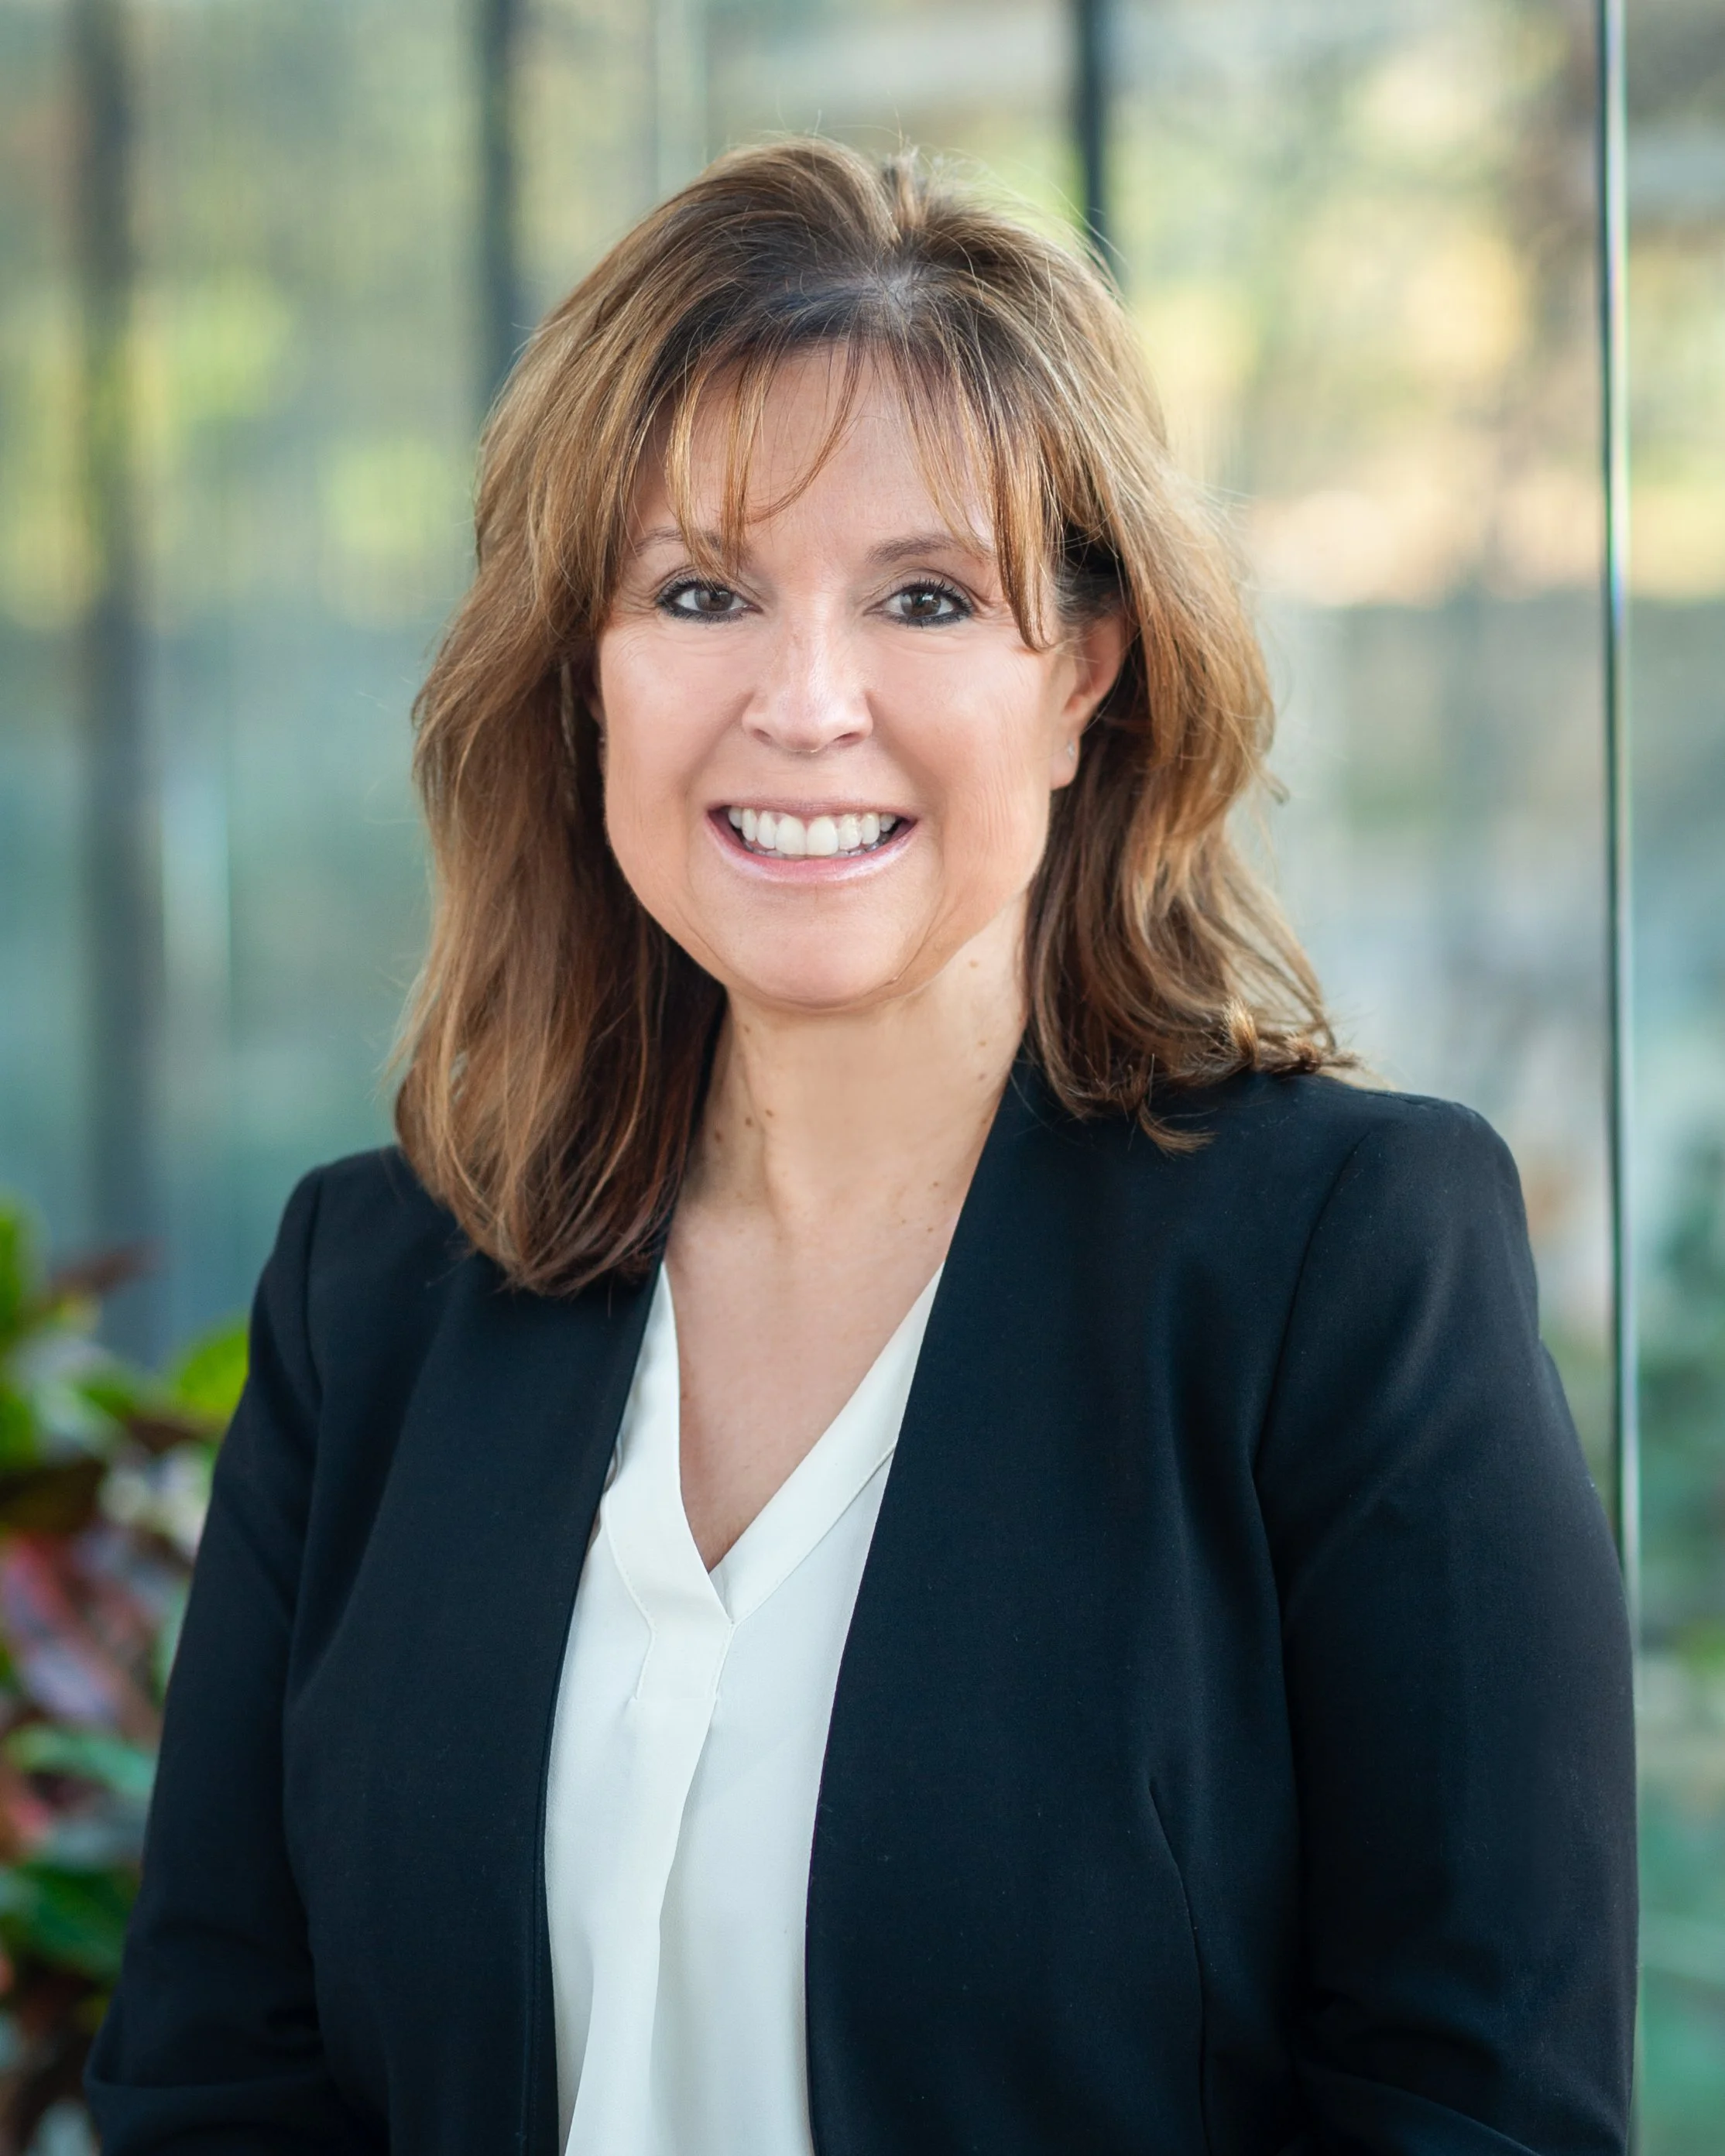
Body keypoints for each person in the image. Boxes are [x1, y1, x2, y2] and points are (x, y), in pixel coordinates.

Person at [87, 138, 1636, 2156]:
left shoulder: (1342, 1263)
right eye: (700, 592)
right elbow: (212, 2080)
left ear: (1082, 677)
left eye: (925, 598)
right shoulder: (370, 1294)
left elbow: (1476, 2106)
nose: (806, 703)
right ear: (585, 673)